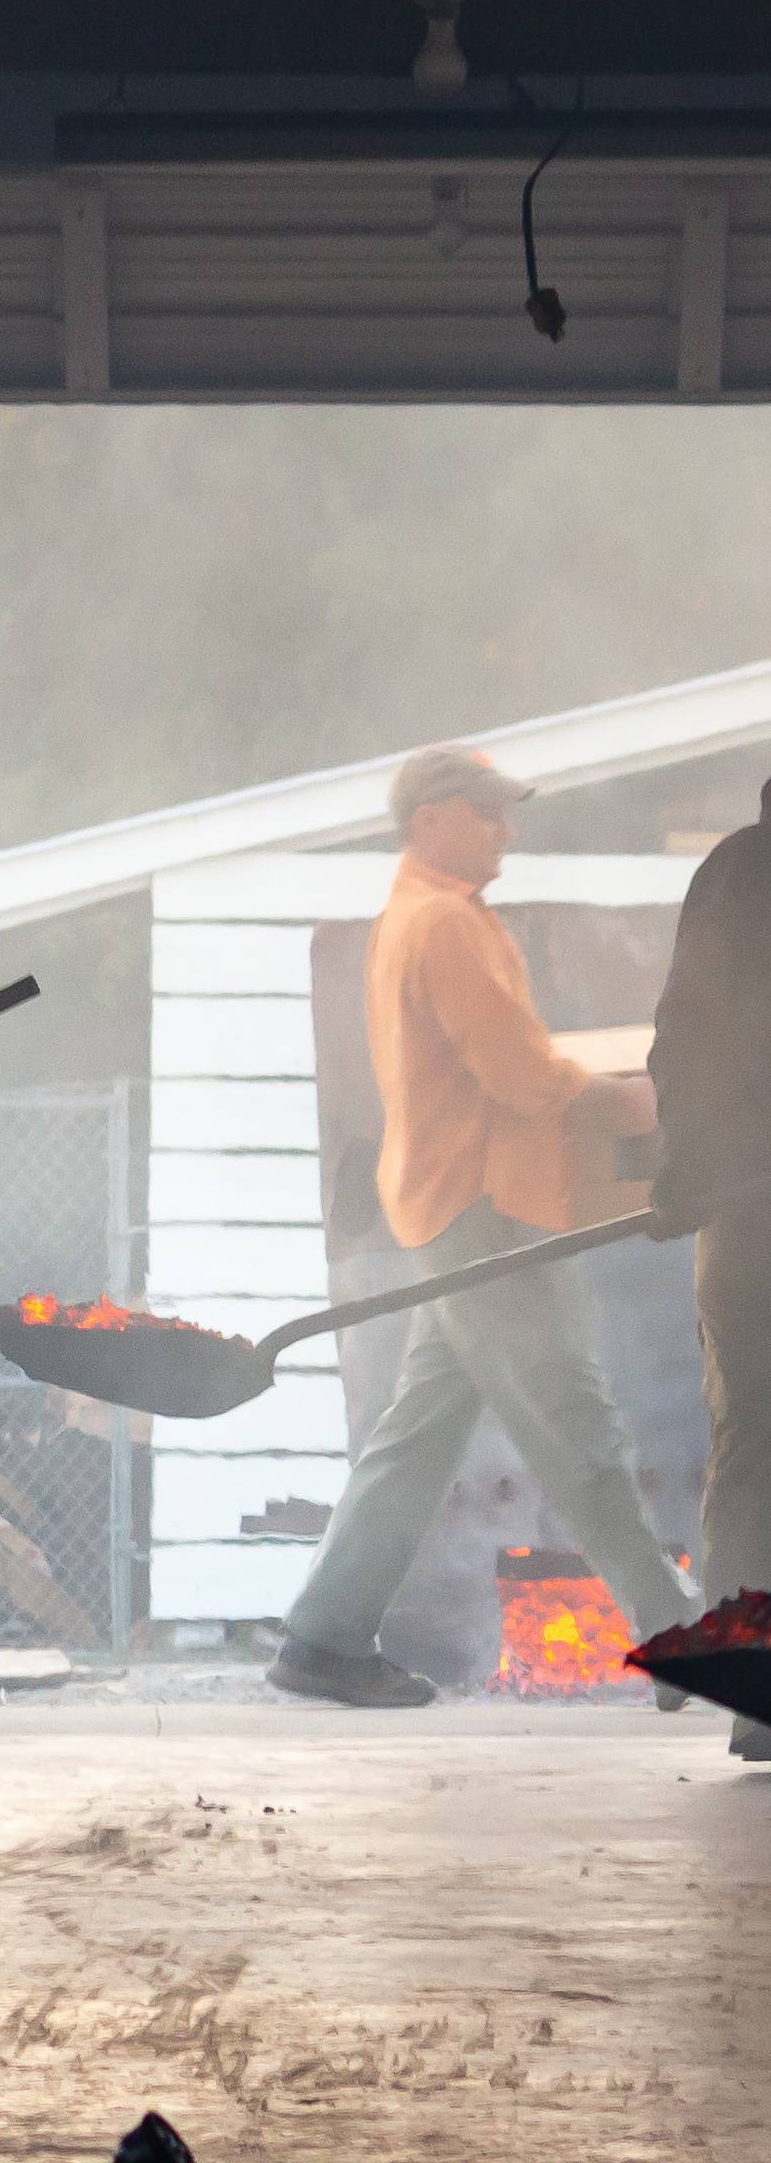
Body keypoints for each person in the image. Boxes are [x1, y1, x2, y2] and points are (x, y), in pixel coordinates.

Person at [270, 744, 699, 1710]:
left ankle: (324, 1636)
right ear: (431, 820)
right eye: (488, 811)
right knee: (577, 1426)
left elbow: (506, 1065)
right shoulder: (444, 928)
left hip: (455, 1208)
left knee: (416, 1437)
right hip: (488, 1214)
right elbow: (518, 1072)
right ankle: (674, 1639)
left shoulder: (419, 918)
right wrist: (628, 1103)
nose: (506, 829)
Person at [650, 781, 771, 1759]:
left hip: (739, 1223)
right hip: (746, 1210)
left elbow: (679, 1041)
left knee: (752, 1459)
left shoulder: (728, 874)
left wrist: (688, 1173)